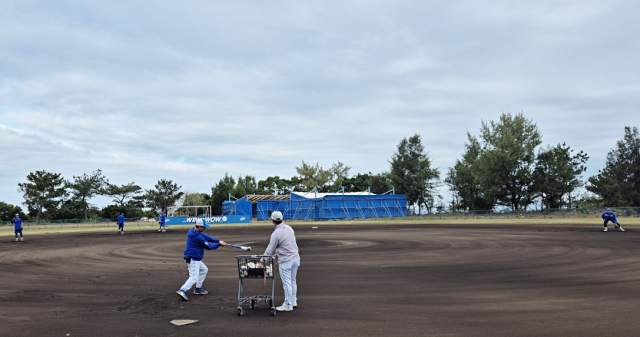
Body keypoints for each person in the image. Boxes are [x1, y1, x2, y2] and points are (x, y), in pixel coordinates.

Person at [176, 218, 227, 301]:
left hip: (194, 258)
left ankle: (198, 288)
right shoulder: (198, 237)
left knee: (204, 270)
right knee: (193, 277)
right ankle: (182, 290)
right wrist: (219, 244)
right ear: (199, 226)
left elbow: (207, 237)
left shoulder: (195, 231)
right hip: (193, 259)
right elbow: (209, 247)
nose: (205, 228)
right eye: (204, 227)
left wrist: (219, 241)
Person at [260, 211, 300, 312]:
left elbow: (269, 249)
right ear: (282, 219)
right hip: (295, 258)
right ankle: (293, 301)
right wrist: (277, 254)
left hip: (286, 261)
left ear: (272, 220)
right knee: (292, 281)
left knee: (287, 284)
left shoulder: (276, 233)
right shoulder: (289, 228)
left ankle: (288, 304)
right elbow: (289, 244)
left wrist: (262, 261)